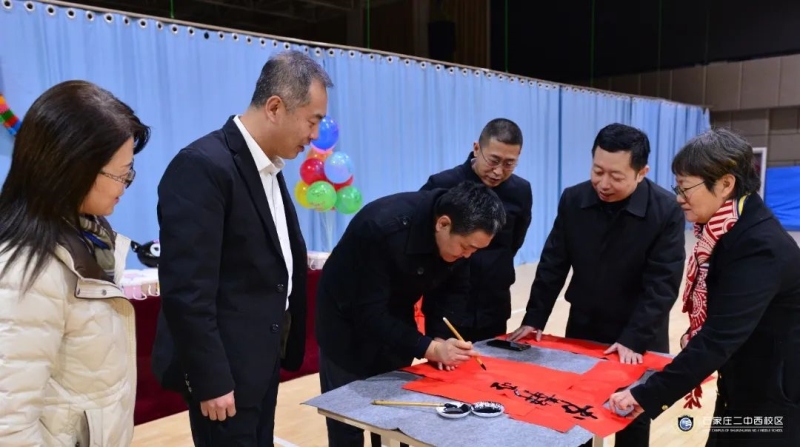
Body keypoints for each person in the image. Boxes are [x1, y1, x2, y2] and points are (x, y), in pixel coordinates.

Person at [150, 50, 332, 446]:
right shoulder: (203, 166)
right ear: (275, 107)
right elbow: (187, 290)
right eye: (312, 120)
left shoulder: (268, 167)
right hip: (224, 374)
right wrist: (210, 379)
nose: (315, 135)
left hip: (259, 363)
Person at [610, 129, 800, 446]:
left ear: (726, 184)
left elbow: (718, 338)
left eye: (686, 188)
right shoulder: (725, 229)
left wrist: (647, 395)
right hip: (741, 383)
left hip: (772, 396)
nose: (679, 198)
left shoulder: (759, 246)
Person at [508, 123, 686, 447]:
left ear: (641, 172)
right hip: (585, 324)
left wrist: (633, 339)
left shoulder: (665, 210)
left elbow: (663, 283)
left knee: (631, 416)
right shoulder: (574, 199)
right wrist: (534, 319)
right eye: (597, 171)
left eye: (616, 176)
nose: (603, 184)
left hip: (639, 330)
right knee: (577, 411)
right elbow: (553, 263)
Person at [0, 80, 150, 445]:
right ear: (75, 168)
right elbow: (9, 425)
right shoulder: (27, 271)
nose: (125, 185)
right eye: (120, 174)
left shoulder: (88, 239)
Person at [316, 181, 507, 446]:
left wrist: (439, 337)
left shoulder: (460, 238)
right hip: (346, 324)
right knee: (348, 419)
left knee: (398, 414)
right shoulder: (380, 228)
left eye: (475, 250)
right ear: (443, 224)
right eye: (466, 247)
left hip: (396, 313)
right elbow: (368, 312)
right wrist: (428, 348)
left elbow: (454, 288)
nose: (468, 255)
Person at [420, 118, 532, 343]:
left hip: (493, 306)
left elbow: (514, 242)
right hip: (445, 307)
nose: (498, 171)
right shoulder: (442, 184)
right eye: (494, 160)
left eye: (509, 164)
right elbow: (424, 237)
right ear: (477, 148)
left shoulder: (520, 191)